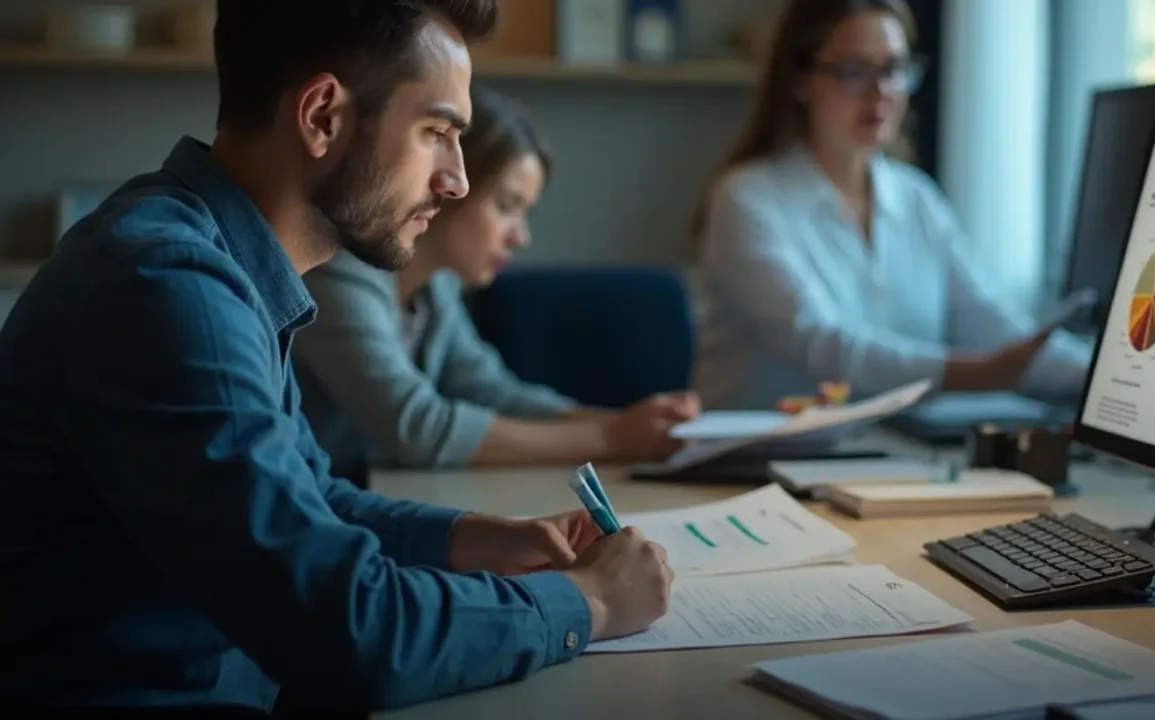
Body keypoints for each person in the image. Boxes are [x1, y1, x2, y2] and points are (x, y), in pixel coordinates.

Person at [0, 2, 672, 714]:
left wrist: (475, 541)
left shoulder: (222, 265)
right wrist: (585, 601)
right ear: (322, 116)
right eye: (437, 132)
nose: (457, 180)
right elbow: (350, 630)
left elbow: (310, 501)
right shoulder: (167, 287)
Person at [690, 0, 1094, 410]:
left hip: (888, 452)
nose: (881, 91)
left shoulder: (916, 198)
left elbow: (999, 329)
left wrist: (1107, 380)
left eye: (894, 70)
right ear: (800, 80)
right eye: (855, 71)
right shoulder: (746, 199)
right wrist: (977, 373)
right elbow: (822, 346)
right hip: (755, 460)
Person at [294, 89, 698, 472]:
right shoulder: (341, 271)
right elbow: (416, 427)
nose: (520, 236)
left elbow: (491, 392)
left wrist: (631, 424)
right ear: (448, 184)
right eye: (506, 207)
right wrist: (610, 439)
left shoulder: (435, 289)